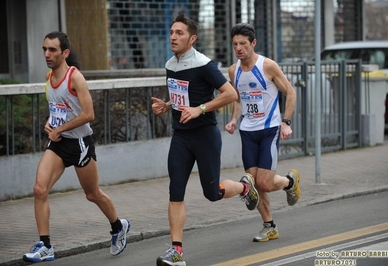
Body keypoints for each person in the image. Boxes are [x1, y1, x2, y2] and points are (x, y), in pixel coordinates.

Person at [151, 14, 259, 266]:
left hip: (205, 136)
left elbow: (230, 94)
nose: (173, 37)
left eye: (179, 33)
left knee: (212, 193)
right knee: (175, 190)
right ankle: (176, 252)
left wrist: (200, 109)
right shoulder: (170, 64)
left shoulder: (204, 64)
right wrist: (168, 105)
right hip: (180, 136)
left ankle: (244, 187)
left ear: (192, 38)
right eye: (171, 32)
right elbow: (183, 96)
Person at [23, 31, 130, 263]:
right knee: (39, 190)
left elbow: (88, 114)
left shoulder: (75, 78)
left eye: (52, 50)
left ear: (65, 53)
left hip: (80, 144)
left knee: (92, 194)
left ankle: (118, 227)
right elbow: (57, 109)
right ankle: (46, 246)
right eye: (44, 49)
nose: (47, 54)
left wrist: (61, 129)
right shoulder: (49, 77)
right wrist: (50, 124)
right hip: (58, 144)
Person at [225, 23, 301, 243]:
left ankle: (289, 182)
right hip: (248, 131)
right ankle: (269, 226)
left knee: (265, 183)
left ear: (253, 43)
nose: (239, 48)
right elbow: (239, 98)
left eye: (243, 44)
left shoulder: (267, 65)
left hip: (269, 129)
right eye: (235, 44)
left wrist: (286, 122)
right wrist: (233, 120)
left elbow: (291, 93)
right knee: (253, 184)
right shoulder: (233, 70)